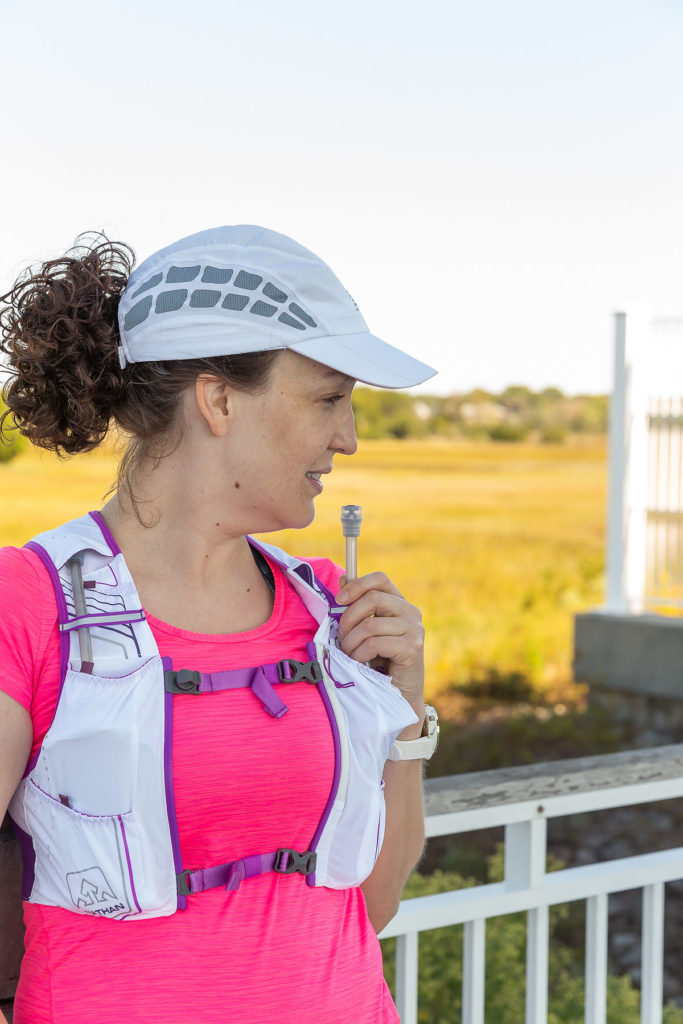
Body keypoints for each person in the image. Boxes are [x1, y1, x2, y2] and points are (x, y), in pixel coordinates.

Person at [0, 225, 438, 1024]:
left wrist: (404, 716)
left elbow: (371, 908)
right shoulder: (27, 603)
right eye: (328, 398)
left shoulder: (332, 611)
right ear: (219, 398)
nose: (347, 437)